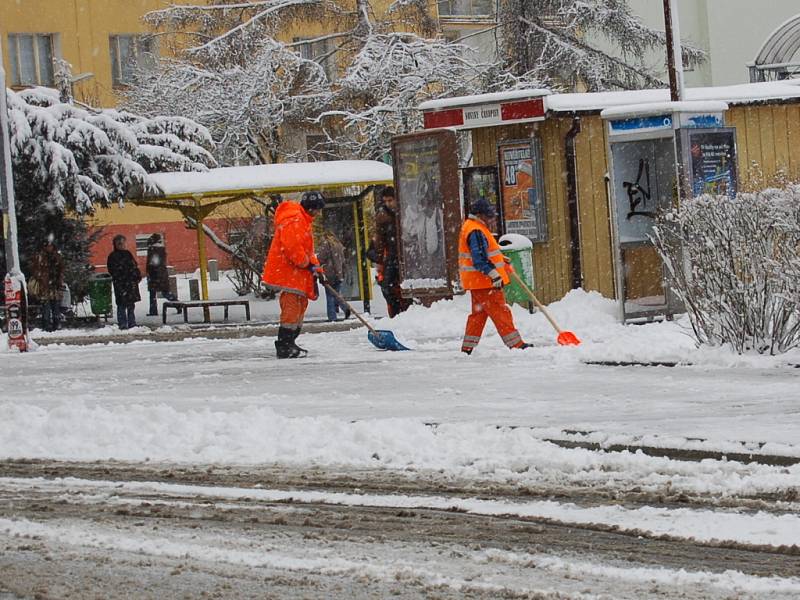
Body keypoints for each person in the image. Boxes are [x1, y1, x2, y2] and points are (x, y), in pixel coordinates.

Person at [459, 197, 532, 355]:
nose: (491, 219)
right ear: (480, 215)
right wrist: (494, 275)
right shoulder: (476, 230)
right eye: (489, 216)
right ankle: (516, 345)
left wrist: (500, 258)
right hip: (486, 283)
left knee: (478, 316)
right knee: (501, 312)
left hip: (477, 283)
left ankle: (467, 348)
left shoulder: (472, 227)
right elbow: (479, 260)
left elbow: (484, 254)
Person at [262, 191, 326, 358]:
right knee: (291, 308)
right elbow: (293, 249)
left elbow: (307, 251)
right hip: (288, 274)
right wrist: (306, 263)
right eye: (317, 210)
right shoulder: (295, 220)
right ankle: (284, 345)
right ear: (311, 209)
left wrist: (317, 269)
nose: (319, 213)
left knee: (299, 306)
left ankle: (290, 342)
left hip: (296, 275)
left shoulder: (303, 221)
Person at [372, 186, 411, 318]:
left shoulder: (403, 212)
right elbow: (379, 240)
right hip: (393, 254)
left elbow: (379, 239)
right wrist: (379, 259)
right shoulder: (384, 216)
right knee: (388, 286)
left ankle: (402, 309)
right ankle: (397, 312)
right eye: (386, 201)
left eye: (390, 200)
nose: (388, 204)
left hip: (403, 254)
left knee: (394, 285)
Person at [107, 234, 142, 330]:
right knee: (121, 304)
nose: (122, 245)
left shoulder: (128, 254)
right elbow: (112, 270)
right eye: (119, 243)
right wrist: (121, 276)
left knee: (131, 304)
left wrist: (137, 276)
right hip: (121, 284)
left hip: (130, 283)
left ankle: (132, 323)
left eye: (123, 243)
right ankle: (122, 323)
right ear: (115, 244)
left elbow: (134, 266)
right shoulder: (112, 256)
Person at [315, 228, 350, 322]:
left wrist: (318, 265)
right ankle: (345, 307)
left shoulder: (326, 245)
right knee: (336, 294)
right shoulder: (339, 245)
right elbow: (343, 261)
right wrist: (342, 272)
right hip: (339, 274)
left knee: (330, 295)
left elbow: (320, 258)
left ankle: (332, 317)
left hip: (329, 273)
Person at [30, 239, 65, 332]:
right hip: (45, 285)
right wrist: (41, 277)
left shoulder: (56, 256)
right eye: (48, 246)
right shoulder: (40, 257)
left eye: (51, 246)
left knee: (55, 305)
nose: (50, 248)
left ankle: (56, 323)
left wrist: (59, 281)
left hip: (54, 285)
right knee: (47, 306)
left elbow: (61, 269)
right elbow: (35, 270)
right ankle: (47, 324)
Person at [145, 233, 177, 316]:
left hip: (154, 274)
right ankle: (177, 304)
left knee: (153, 294)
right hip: (162, 274)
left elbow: (152, 263)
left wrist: (149, 271)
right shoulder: (161, 249)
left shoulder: (153, 249)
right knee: (165, 292)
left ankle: (153, 311)